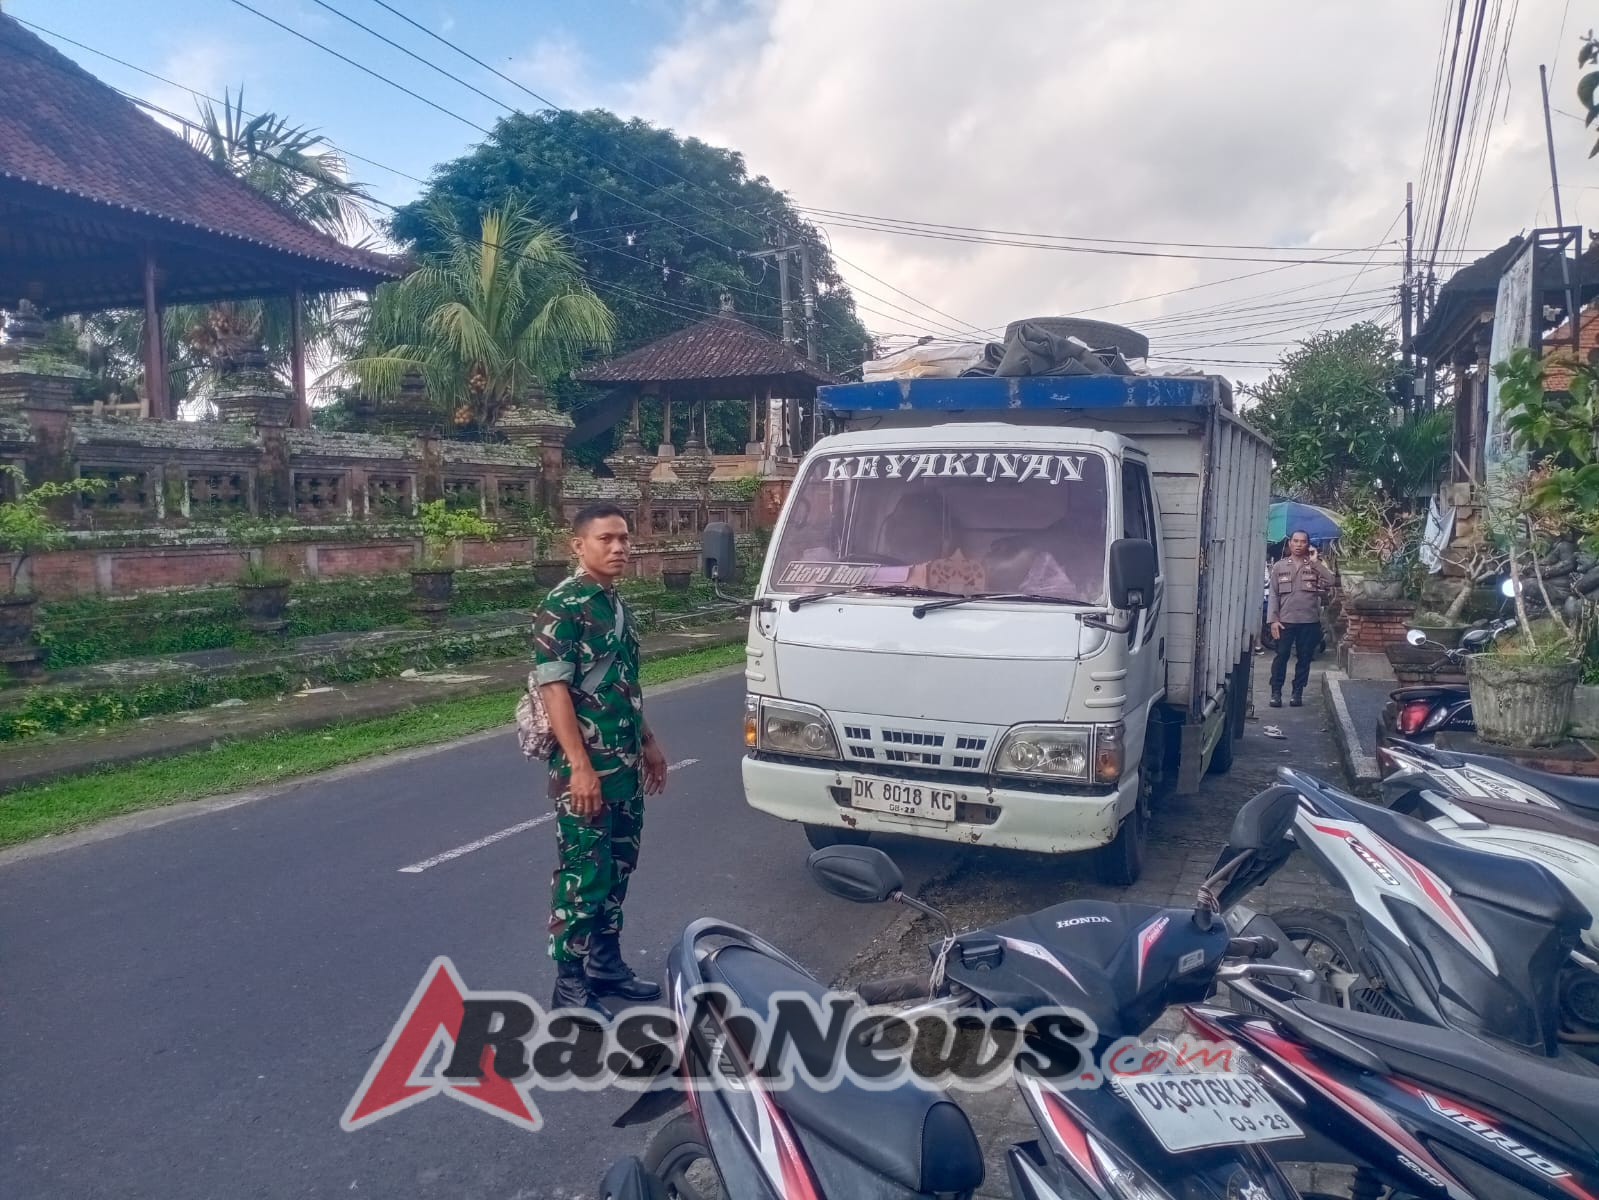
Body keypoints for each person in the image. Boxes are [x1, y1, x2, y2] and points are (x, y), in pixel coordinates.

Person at [532, 502, 669, 1018]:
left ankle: (606, 964)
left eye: (624, 539)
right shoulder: (564, 604)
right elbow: (555, 691)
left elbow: (622, 686)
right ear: (578, 545)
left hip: (625, 763)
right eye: (606, 539)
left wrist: (648, 742)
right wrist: (580, 766)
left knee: (617, 867)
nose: (619, 548)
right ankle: (569, 986)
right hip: (585, 768)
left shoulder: (613, 603)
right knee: (583, 872)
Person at [1266, 528, 1335, 707]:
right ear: (1290, 543)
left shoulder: (1313, 565)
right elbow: (1273, 594)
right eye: (1295, 541)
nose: (1298, 545)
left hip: (1309, 621)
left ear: (1308, 544)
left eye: (1302, 542)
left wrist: (1316, 562)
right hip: (1285, 621)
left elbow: (1331, 581)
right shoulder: (1280, 566)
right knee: (1281, 656)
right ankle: (1276, 692)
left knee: (1304, 658)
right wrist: (1273, 620)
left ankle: (1297, 693)